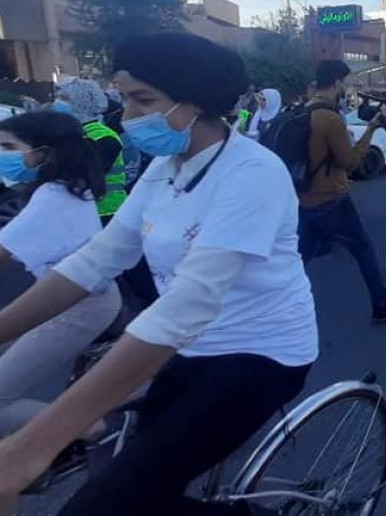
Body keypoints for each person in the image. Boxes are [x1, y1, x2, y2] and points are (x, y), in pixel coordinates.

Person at [0, 33, 318, 515]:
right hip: (186, 348)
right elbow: (96, 260)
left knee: (105, 505)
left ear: (194, 101)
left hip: (258, 355)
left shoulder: (254, 173)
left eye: (141, 99)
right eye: (125, 98)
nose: (125, 115)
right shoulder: (166, 167)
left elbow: (188, 303)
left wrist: (33, 445)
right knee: (139, 489)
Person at [0, 112, 121, 438]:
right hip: (64, 294)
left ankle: (95, 430)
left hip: (80, 305)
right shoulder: (58, 189)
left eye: (8, 146)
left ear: (43, 152)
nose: (2, 154)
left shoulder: (54, 198)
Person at [296, 60, 386, 323]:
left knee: (300, 257)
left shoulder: (306, 110)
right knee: (363, 248)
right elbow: (350, 162)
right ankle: (382, 304)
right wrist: (370, 130)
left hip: (305, 198)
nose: (344, 88)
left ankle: (273, 308)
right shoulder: (329, 118)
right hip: (331, 199)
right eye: (344, 83)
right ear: (337, 82)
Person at [53, 77, 127, 222]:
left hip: (106, 213)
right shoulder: (69, 134)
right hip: (79, 210)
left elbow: (87, 176)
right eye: (57, 97)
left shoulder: (104, 137)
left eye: (64, 98)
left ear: (81, 101)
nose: (57, 102)